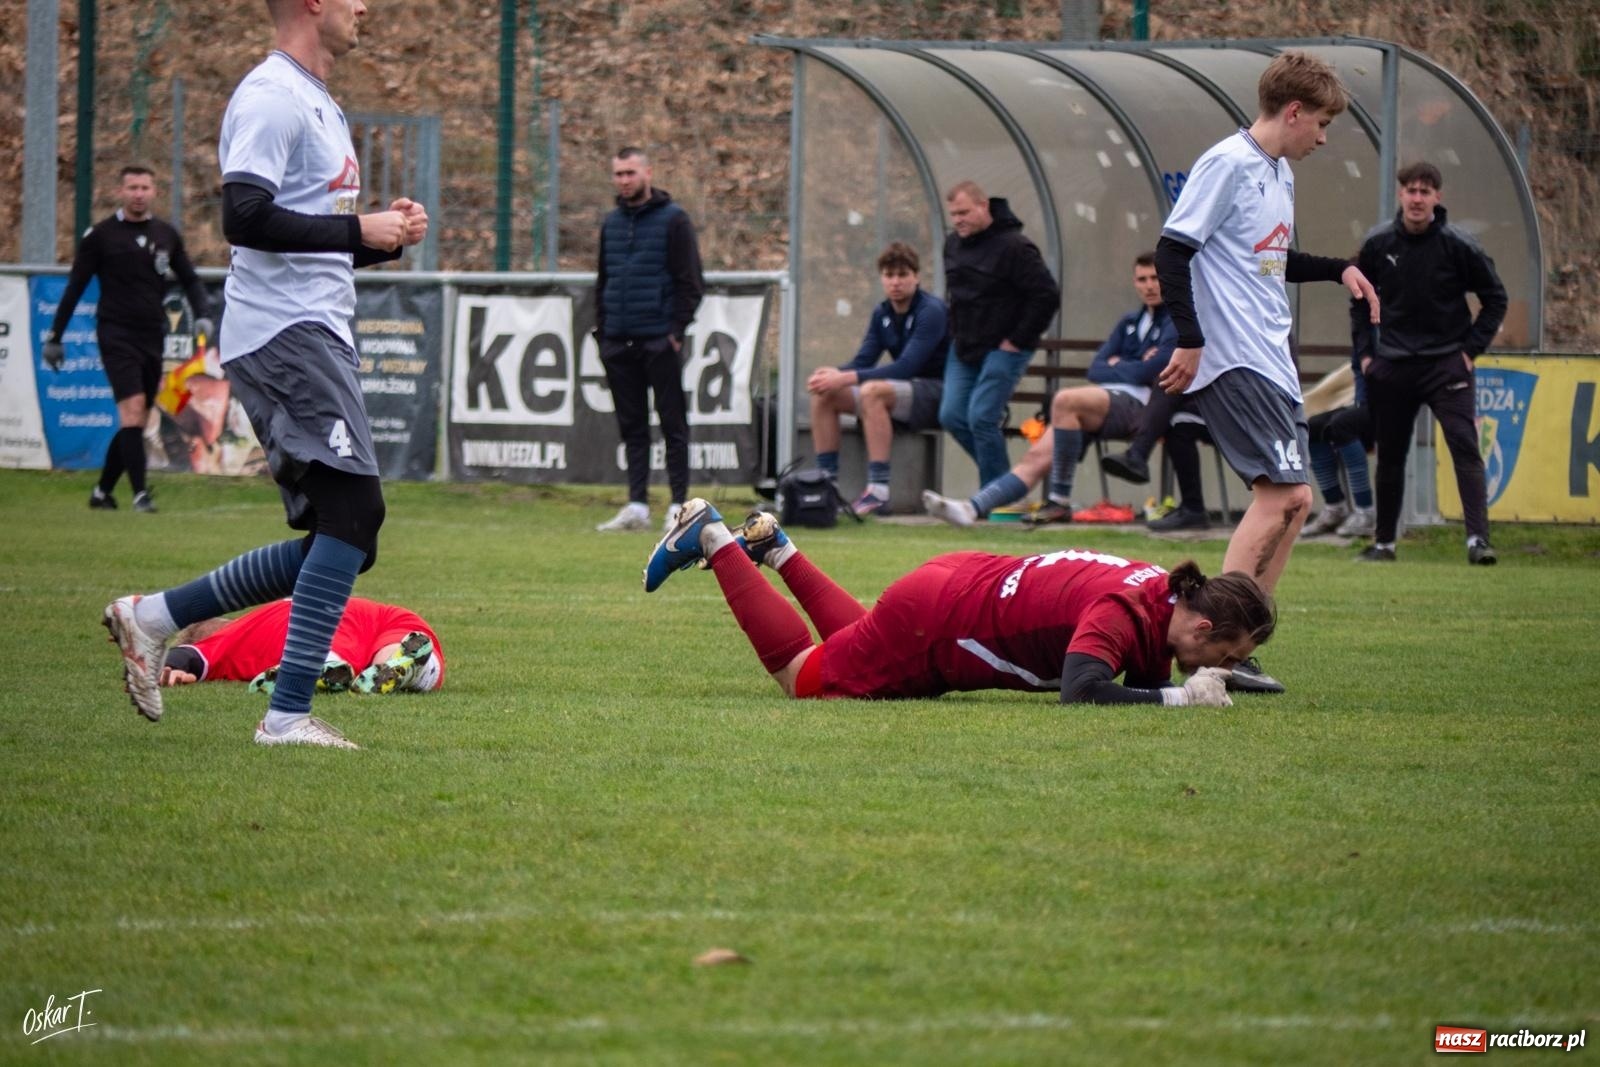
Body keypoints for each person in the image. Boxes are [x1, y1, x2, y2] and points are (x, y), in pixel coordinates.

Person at [101, 0, 429, 749]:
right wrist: (357, 228)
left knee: (340, 529)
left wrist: (384, 236)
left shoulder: (319, 102)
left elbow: (308, 235)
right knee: (353, 514)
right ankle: (283, 716)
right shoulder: (272, 96)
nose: (364, 8)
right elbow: (243, 217)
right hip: (285, 334)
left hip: (311, 329)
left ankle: (151, 616)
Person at [1154, 51, 1380, 694]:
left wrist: (1339, 267)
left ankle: (1239, 640)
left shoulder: (1276, 172)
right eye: (1323, 123)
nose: (1324, 137)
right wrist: (1191, 340)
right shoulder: (1226, 163)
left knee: (1299, 501)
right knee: (1278, 496)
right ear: (1294, 111)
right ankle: (1210, 643)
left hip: (1270, 358)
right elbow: (1174, 250)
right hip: (1235, 357)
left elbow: (1270, 260)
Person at [642, 500, 1274, 707]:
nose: (1213, 666)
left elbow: (1143, 679)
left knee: (862, 638)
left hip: (956, 586)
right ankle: (712, 536)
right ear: (1204, 621)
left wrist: (1214, 685)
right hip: (941, 621)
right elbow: (1082, 689)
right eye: (1223, 653)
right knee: (804, 679)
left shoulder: (1162, 590)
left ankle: (773, 547)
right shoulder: (1124, 610)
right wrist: (1180, 697)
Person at [922, 251, 1174, 526]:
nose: (1149, 285)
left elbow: (1154, 370)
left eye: (1155, 278)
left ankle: (1059, 501)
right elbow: (1096, 368)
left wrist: (1120, 365)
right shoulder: (1129, 322)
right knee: (1036, 456)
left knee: (1065, 400)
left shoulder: (1176, 320)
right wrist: (1132, 365)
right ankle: (971, 508)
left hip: (1148, 407)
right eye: (1142, 279)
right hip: (1106, 402)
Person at [1351, 161, 1508, 565]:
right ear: (1400, 195)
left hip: (1446, 366)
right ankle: (1384, 543)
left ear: (1438, 197)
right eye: (1411, 190)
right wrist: (1367, 357)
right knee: (1390, 457)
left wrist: (1468, 352)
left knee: (1464, 447)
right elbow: (1358, 299)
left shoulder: (1459, 245)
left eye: (1425, 191)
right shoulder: (1379, 244)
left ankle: (1478, 541)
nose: (1417, 199)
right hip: (1394, 366)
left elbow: (1496, 299)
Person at [41, 165, 213, 513]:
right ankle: (140, 495)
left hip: (152, 334)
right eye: (132, 187)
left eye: (145, 187)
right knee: (133, 411)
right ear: (121, 191)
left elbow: (191, 280)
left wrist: (204, 314)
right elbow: (75, 288)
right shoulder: (101, 236)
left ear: (154, 192)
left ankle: (103, 492)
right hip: (115, 333)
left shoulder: (166, 234)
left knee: (137, 418)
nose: (138, 193)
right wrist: (55, 336)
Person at [594, 146, 706, 534]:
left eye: (630, 173)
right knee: (632, 426)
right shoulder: (611, 223)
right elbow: (603, 281)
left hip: (659, 339)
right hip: (618, 341)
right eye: (618, 174)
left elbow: (691, 282)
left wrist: (674, 333)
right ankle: (637, 504)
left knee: (673, 422)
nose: (624, 180)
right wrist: (603, 332)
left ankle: (679, 504)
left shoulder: (674, 220)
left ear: (648, 173)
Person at [807, 241, 947, 516]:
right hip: (900, 392)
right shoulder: (882, 312)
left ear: (916, 277)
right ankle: (827, 486)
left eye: (903, 275)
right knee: (826, 393)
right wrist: (830, 376)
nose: (895, 282)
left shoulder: (931, 310)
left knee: (872, 391)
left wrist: (844, 377)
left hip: (936, 392)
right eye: (889, 275)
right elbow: (863, 361)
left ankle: (878, 491)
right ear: (882, 278)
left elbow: (907, 367)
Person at [939, 180, 1060, 487]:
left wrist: (1017, 339)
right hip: (964, 346)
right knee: (952, 415)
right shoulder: (952, 244)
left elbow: (1046, 296)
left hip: (1004, 347)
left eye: (964, 212)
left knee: (981, 417)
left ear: (984, 206)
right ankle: (1006, 484)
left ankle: (995, 497)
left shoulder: (1015, 247)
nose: (958, 220)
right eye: (953, 214)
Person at [159, 596, 444, 695]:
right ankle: (406, 669)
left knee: (325, 644)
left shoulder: (226, 640)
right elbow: (187, 654)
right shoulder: (257, 618)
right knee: (396, 654)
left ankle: (318, 669)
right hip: (388, 619)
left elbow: (187, 655)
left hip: (319, 626)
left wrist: (168, 666)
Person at [1299, 362, 1376, 537]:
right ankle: (1335, 507)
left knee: (1343, 424)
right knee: (1314, 426)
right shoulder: (1363, 336)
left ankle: (1365, 511)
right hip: (1361, 397)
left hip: (1393, 399)